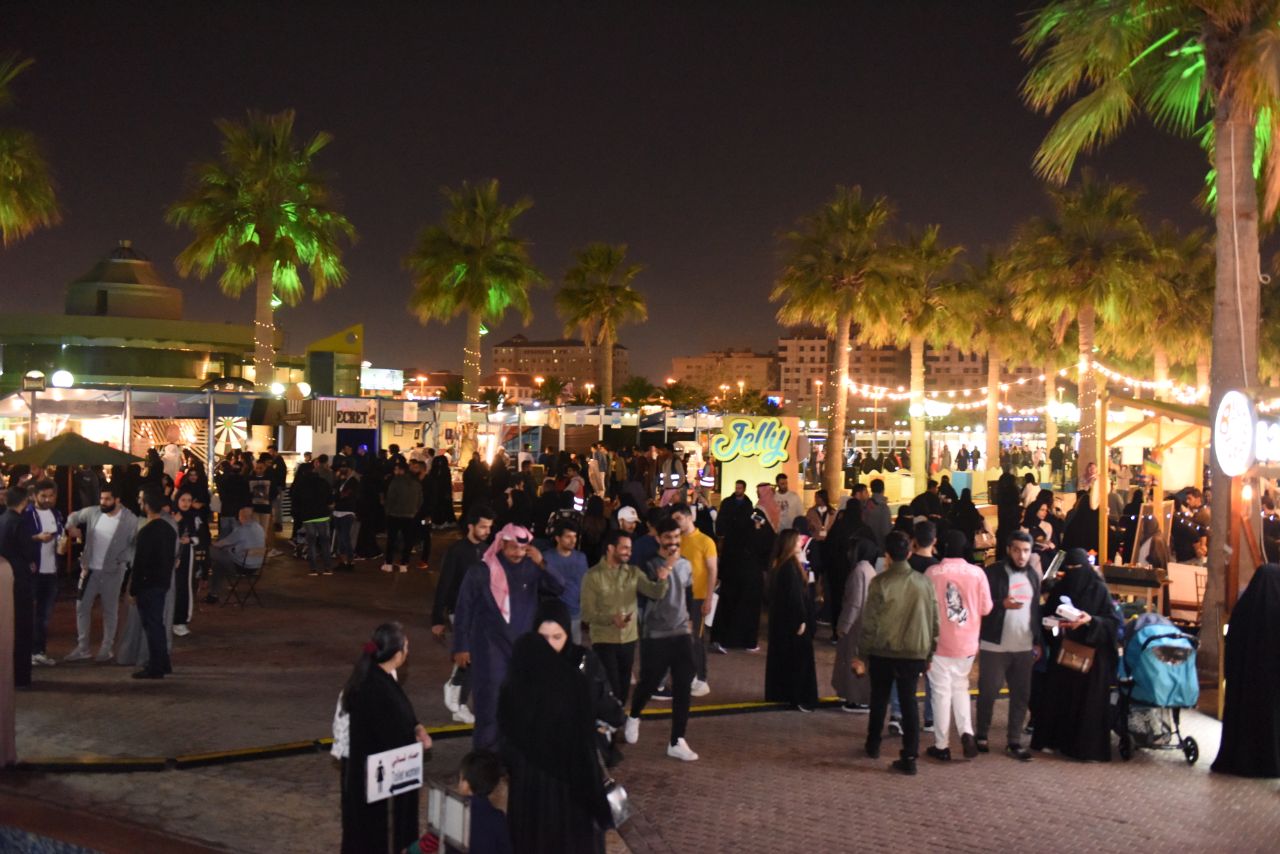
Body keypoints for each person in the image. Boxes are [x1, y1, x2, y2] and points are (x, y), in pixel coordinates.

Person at [498, 604, 612, 854]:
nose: (550, 645)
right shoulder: (522, 671)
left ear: (568, 635)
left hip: (566, 784)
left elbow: (604, 709)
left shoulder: (582, 666)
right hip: (535, 782)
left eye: (557, 637)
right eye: (543, 638)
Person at [452, 523, 565, 749]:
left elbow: (559, 587)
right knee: (489, 708)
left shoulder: (531, 569)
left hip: (521, 652)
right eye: (513, 547)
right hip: (489, 652)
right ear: (502, 544)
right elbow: (463, 609)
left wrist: (542, 563)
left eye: (523, 549)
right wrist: (461, 646)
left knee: (517, 706)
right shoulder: (481, 571)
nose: (518, 553)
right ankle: (485, 759)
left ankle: (508, 756)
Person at [340, 622, 433, 854]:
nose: (408, 653)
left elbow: (403, 716)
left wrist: (417, 727)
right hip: (377, 784)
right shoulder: (375, 686)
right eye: (406, 647)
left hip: (372, 779)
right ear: (397, 653)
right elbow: (390, 732)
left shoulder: (377, 675)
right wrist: (413, 742)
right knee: (376, 838)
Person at [853, 531, 939, 775]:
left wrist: (862, 654)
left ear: (887, 555)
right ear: (910, 552)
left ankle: (873, 744)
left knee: (879, 699)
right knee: (909, 701)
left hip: (883, 651)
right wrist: (930, 653)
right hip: (914, 652)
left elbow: (870, 623)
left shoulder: (880, 583)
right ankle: (909, 755)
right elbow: (934, 621)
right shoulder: (924, 583)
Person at [1032, 548, 1120, 761]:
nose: (1073, 573)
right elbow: (1047, 615)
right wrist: (1053, 625)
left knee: (1086, 703)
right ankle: (1055, 741)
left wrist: (1090, 621)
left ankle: (1084, 748)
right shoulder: (1061, 588)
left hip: (1091, 658)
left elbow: (1112, 622)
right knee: (1059, 697)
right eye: (1069, 569)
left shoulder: (1099, 590)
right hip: (1064, 653)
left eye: (1077, 568)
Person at [626, 518, 700, 761]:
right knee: (649, 682)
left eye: (677, 537)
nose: (673, 542)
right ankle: (634, 714)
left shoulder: (686, 564)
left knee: (683, 684)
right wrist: (666, 569)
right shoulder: (648, 565)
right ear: (658, 538)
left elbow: (688, 592)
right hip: (656, 634)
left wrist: (690, 619)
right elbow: (649, 595)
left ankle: (677, 739)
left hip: (681, 632)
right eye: (668, 537)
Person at [923, 531, 993, 761]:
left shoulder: (932, 573)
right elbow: (986, 608)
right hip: (967, 643)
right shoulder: (978, 573)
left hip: (939, 643)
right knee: (961, 687)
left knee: (940, 693)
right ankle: (966, 732)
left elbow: (924, 608)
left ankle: (941, 745)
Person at [580, 529, 670, 706]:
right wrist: (611, 619)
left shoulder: (634, 572)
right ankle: (608, 718)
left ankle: (617, 716)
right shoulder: (592, 576)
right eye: (625, 548)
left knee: (623, 687)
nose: (629, 552)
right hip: (604, 639)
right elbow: (587, 614)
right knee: (611, 685)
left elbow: (655, 593)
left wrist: (662, 579)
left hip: (628, 639)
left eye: (630, 548)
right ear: (611, 548)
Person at [974, 530, 1041, 760]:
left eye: (1026, 551)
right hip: (994, 645)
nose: (1021, 556)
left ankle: (1014, 741)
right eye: (1017, 550)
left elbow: (1035, 610)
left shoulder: (1033, 576)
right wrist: (1001, 604)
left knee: (1021, 695)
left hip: (1024, 646)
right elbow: (979, 604)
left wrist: (1037, 641)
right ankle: (981, 735)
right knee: (988, 693)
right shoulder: (993, 573)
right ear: (1008, 550)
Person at [1212, 563, 1280, 778]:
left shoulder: (1244, 610)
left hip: (1244, 684)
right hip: (1270, 686)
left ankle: (1240, 759)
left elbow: (1231, 646)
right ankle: (1269, 763)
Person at [432, 504, 494, 726]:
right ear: (470, 526)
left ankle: (456, 693)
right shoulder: (456, 551)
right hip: (459, 611)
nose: (487, 531)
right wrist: (437, 619)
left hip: (481, 613)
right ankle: (458, 701)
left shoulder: (488, 551)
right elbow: (444, 584)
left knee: (472, 656)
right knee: (470, 655)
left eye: (489, 527)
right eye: (483, 527)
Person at [63, 486, 137, 663]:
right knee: (82, 607)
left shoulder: (130, 519)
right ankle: (83, 647)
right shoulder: (94, 512)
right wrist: (71, 527)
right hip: (89, 570)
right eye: (101, 499)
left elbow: (135, 544)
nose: (103, 502)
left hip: (113, 572)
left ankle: (106, 648)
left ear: (117, 500)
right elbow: (74, 516)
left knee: (109, 610)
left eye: (107, 499)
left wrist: (123, 559)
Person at [765, 529, 819, 712]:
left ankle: (784, 693)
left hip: (784, 621)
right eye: (797, 541)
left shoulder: (783, 564)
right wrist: (802, 619)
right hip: (794, 621)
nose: (800, 543)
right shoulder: (789, 567)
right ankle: (800, 697)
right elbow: (795, 596)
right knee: (799, 659)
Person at [129, 487, 177, 679]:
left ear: (148, 505)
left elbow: (140, 563)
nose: (139, 503)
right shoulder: (168, 529)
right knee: (157, 624)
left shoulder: (147, 532)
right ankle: (163, 662)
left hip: (148, 584)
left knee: (152, 625)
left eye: (142, 500)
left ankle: (156, 666)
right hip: (162, 582)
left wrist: (133, 589)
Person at [670, 502, 716, 696]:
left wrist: (708, 598)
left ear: (689, 517)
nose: (676, 523)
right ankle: (689, 676)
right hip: (680, 598)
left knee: (696, 639)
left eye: (679, 518)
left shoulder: (705, 541)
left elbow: (712, 570)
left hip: (698, 598)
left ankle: (701, 679)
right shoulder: (677, 541)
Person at [712, 480, 760, 651]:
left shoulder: (748, 505)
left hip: (734, 563)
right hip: (735, 563)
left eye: (740, 488)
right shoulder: (729, 503)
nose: (737, 490)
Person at [833, 538, 878, 712]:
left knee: (853, 661)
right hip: (866, 622)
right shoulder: (869, 569)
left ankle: (857, 699)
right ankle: (860, 698)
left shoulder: (858, 571)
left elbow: (854, 603)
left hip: (856, 625)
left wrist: (843, 626)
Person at [23, 480, 64, 670]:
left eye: (51, 496)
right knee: (30, 614)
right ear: (34, 496)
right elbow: (19, 539)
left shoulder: (56, 514)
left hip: (51, 571)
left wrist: (62, 544)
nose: (48, 499)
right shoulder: (27, 515)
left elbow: (61, 536)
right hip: (33, 572)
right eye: (44, 496)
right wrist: (37, 538)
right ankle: (28, 652)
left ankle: (39, 651)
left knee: (44, 615)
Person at [456, 750, 513, 854]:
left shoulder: (455, 812)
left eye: (460, 778)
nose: (458, 783)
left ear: (466, 785)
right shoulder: (497, 818)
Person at [545, 519, 590, 645]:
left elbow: (585, 586)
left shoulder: (581, 558)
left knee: (574, 648)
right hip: (554, 614)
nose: (573, 540)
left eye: (575, 536)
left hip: (575, 613)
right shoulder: (547, 558)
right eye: (568, 537)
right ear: (557, 538)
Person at [207, 506, 265, 602]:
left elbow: (224, 542)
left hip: (241, 566)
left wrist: (213, 544)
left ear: (242, 517)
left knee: (210, 551)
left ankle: (202, 575)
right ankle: (213, 594)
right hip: (257, 566)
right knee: (218, 565)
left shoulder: (242, 530)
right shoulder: (259, 528)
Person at [171, 490, 209, 637]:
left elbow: (201, 537)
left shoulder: (194, 517)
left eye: (189, 500)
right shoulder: (170, 516)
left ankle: (180, 621)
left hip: (186, 556)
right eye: (183, 500)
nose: (186, 503)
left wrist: (190, 540)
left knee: (183, 587)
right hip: (170, 556)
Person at [291, 463, 334, 577]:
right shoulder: (323, 482)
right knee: (325, 542)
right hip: (323, 515)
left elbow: (295, 501)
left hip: (308, 517)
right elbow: (330, 499)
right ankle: (328, 568)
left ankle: (313, 569)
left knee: (311, 543)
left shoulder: (301, 484)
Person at [383, 460, 422, 574]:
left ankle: (388, 563)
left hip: (394, 514)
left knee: (392, 539)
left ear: (401, 470)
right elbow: (420, 500)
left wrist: (387, 510)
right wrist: (414, 510)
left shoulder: (396, 482)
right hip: (410, 515)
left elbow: (390, 498)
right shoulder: (416, 483)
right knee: (408, 540)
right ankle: (404, 564)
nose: (395, 472)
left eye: (396, 469)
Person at [864, 478, 892, 549]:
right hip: (879, 547)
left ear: (871, 490)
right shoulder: (883, 508)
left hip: (866, 544)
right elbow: (886, 531)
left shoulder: (865, 505)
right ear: (883, 490)